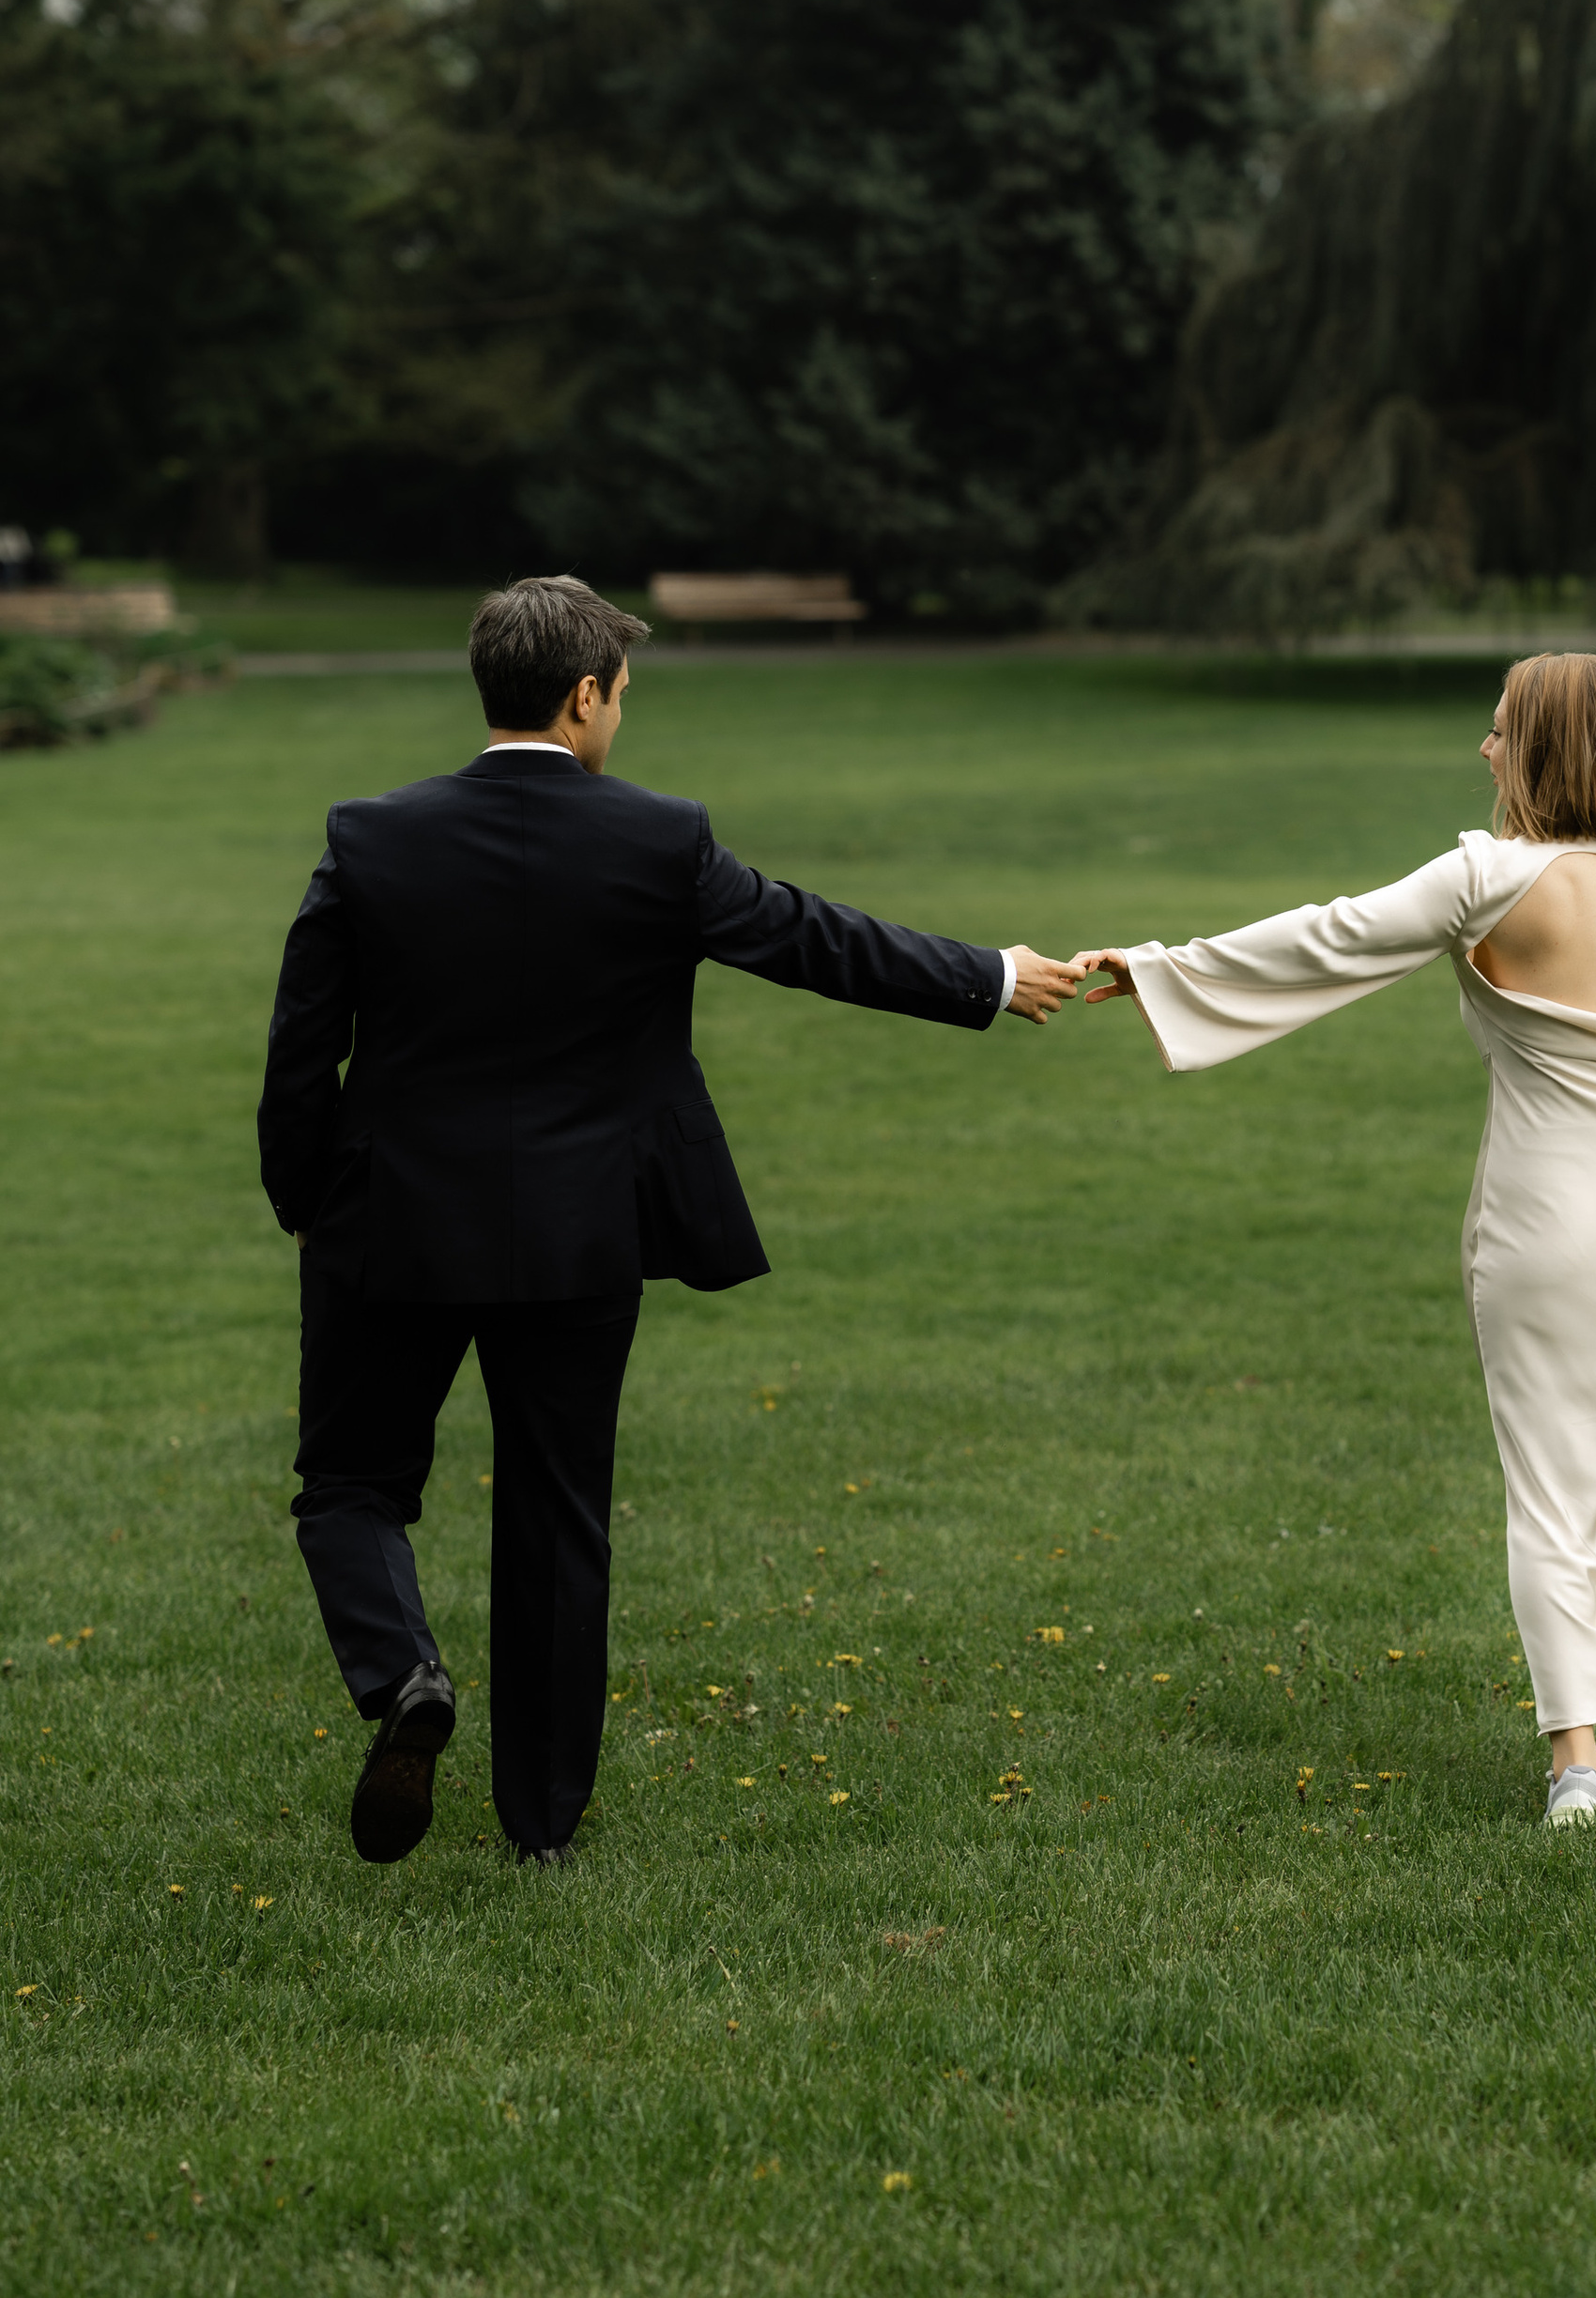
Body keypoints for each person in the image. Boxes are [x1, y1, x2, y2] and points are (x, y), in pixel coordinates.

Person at [256, 574, 1078, 1869]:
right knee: (557, 1514)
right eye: (621, 695)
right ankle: (540, 1829)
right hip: (582, 1236)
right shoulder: (655, 842)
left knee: (352, 1486)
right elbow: (811, 939)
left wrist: (307, 1202)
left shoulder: (370, 837)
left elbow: (304, 1046)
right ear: (584, 696)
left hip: (390, 1227)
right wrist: (987, 977)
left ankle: (402, 1674)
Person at [1076, 650, 1596, 1825]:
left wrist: (1161, 970)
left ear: (1546, 749)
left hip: (1546, 1216)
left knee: (1555, 1484)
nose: (1484, 746)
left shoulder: (1489, 875)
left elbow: (1327, 939)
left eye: (1499, 727)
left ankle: (1577, 1763)